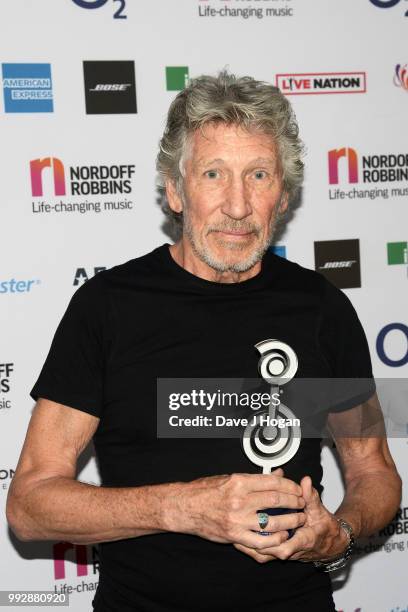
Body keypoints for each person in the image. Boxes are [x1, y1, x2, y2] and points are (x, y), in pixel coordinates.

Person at [6, 70, 401, 612]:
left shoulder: (322, 308)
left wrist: (341, 533)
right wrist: (185, 508)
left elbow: (374, 471)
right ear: (174, 189)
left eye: (259, 175)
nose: (237, 206)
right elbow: (30, 505)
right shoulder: (108, 307)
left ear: (282, 195)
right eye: (214, 174)